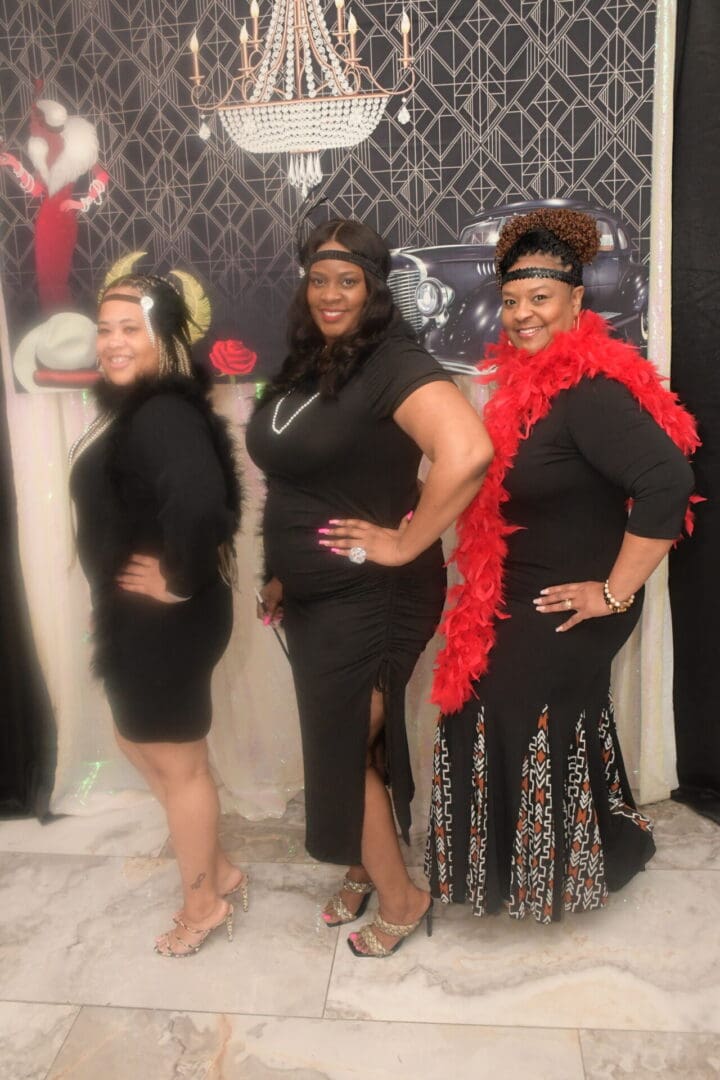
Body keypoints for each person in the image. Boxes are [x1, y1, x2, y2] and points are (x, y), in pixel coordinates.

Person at [426, 208, 699, 923]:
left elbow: (668, 483)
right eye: (512, 301)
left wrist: (615, 592)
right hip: (524, 589)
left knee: (521, 715)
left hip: (576, 599)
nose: (522, 315)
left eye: (540, 299)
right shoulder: (529, 390)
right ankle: (576, 850)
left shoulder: (588, 393)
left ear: (578, 302)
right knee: (493, 705)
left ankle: (553, 875)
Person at [246, 219, 493, 957]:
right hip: (316, 595)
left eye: (347, 281)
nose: (330, 294)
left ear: (374, 287)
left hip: (374, 597)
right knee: (361, 739)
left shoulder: (394, 360)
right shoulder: (309, 360)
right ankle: (364, 861)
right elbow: (306, 478)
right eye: (318, 279)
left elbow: (468, 451)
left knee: (345, 744)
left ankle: (401, 897)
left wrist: (406, 540)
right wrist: (284, 569)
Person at [69, 274, 245, 956]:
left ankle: (203, 903)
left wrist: (181, 577)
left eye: (129, 328)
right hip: (131, 620)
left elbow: (203, 506)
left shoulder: (162, 412)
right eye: (104, 327)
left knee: (180, 766)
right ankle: (219, 868)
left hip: (168, 624)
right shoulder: (131, 406)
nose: (112, 341)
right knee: (136, 742)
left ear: (164, 339)